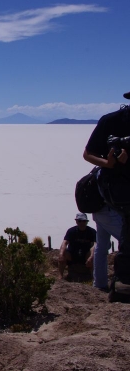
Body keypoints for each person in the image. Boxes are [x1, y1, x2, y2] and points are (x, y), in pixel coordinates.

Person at [83, 92, 130, 290]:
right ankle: (119, 283)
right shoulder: (111, 121)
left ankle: (100, 285)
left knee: (102, 244)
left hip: (114, 198)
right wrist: (109, 164)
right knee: (124, 241)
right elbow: (88, 153)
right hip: (112, 195)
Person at [58, 213, 97, 280]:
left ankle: (93, 277)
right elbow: (65, 243)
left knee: (94, 255)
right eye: (79, 221)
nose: (81, 223)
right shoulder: (71, 231)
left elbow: (95, 244)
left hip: (85, 256)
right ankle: (60, 275)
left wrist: (91, 256)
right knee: (63, 253)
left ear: (87, 222)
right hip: (72, 255)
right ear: (76, 221)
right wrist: (61, 254)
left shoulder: (92, 231)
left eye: (84, 221)